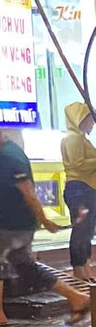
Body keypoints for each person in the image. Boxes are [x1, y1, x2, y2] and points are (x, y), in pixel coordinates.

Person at [0, 115, 86, 326]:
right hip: (12, 223)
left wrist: (45, 220)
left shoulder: (9, 156)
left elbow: (28, 192)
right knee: (24, 266)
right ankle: (77, 298)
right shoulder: (2, 152)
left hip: (9, 224)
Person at [63, 102, 96, 282]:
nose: (92, 123)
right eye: (89, 119)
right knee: (81, 230)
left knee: (88, 230)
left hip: (88, 188)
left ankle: (85, 267)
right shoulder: (73, 139)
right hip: (79, 189)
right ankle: (78, 269)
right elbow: (78, 164)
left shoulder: (82, 139)